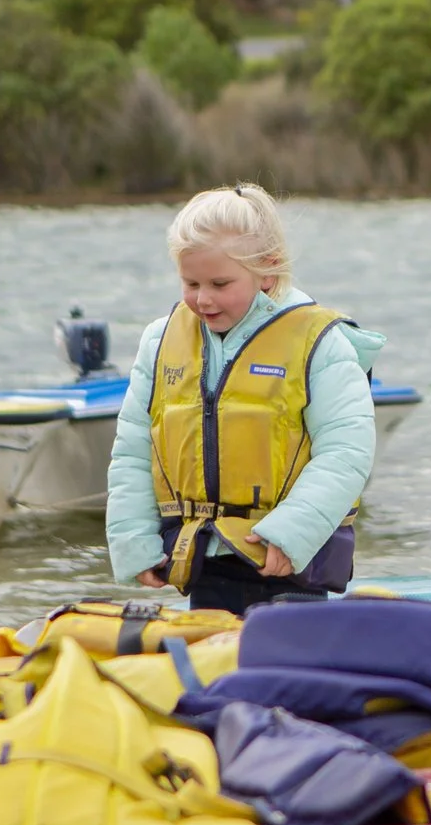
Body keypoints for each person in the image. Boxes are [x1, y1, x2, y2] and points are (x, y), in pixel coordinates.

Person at [106, 184, 381, 615]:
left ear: (267, 270)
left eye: (220, 283)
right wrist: (134, 540)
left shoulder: (320, 343)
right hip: (204, 558)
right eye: (190, 282)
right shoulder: (159, 341)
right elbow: (134, 449)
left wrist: (292, 533)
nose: (203, 298)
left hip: (289, 564)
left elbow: (347, 451)